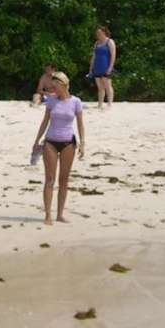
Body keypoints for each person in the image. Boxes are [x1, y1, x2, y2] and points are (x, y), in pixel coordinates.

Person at [31, 71, 85, 225]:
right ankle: (48, 214)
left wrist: (83, 143)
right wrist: (37, 140)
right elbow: (45, 121)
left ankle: (60, 214)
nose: (53, 89)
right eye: (52, 86)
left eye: (55, 86)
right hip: (50, 142)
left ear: (64, 85)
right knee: (50, 179)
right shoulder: (51, 101)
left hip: (68, 143)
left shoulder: (76, 102)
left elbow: (80, 124)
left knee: (64, 180)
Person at [88, 25, 116, 109]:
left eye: (99, 32)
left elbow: (113, 55)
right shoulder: (96, 43)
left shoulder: (109, 41)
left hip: (106, 66)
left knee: (108, 86)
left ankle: (109, 104)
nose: (97, 34)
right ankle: (100, 104)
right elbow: (94, 56)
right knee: (100, 87)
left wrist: (110, 67)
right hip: (97, 67)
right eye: (97, 33)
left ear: (104, 32)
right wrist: (90, 68)